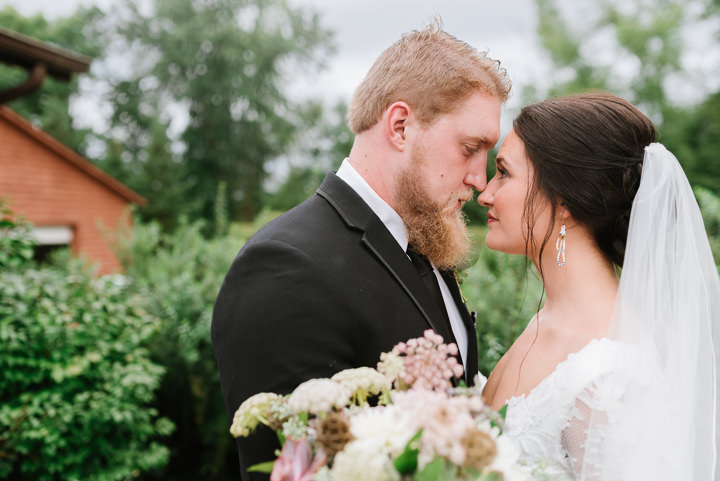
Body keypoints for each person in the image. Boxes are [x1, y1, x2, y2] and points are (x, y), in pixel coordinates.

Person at [211, 21, 511, 480]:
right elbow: (292, 465)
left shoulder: (425, 243)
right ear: (400, 126)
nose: (478, 177)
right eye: (470, 148)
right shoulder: (285, 267)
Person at [477, 92, 720, 480]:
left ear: (563, 200)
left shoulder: (613, 377)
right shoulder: (547, 322)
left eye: (504, 172)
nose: (485, 193)